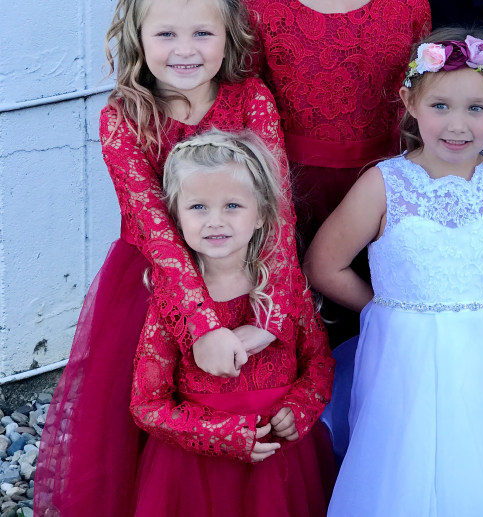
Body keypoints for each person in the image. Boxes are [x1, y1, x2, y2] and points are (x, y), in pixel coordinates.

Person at [35, 0, 305, 517]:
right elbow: (154, 229)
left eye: (203, 33)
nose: (185, 50)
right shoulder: (125, 115)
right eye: (166, 34)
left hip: (246, 277)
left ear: (229, 37)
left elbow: (277, 213)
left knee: (252, 407)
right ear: (138, 37)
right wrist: (202, 327)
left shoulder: (251, 99)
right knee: (158, 413)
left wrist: (268, 318)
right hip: (157, 287)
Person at [304, 28, 483, 517]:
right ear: (410, 103)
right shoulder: (385, 184)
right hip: (407, 353)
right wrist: (387, 305)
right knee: (408, 456)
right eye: (440, 106)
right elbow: (324, 265)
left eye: (476, 109)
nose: (457, 125)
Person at [243, 0, 430, 343]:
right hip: (293, 197)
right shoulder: (259, 10)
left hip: (386, 193)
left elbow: (418, 107)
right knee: (303, 338)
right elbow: (245, 120)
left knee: (381, 329)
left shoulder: (407, 3)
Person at [130, 131, 335, 517]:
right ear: (175, 216)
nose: (215, 221)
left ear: (261, 214)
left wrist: (302, 406)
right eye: (198, 208)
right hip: (198, 472)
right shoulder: (172, 303)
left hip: (283, 462)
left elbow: (319, 362)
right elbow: (147, 404)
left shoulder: (285, 293)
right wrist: (219, 436)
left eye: (232, 205)